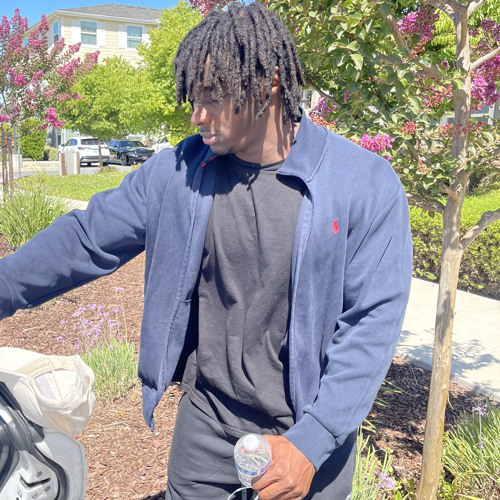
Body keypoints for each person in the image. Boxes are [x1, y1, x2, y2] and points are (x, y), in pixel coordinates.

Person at [0, 3, 413, 499]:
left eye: (213, 96)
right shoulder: (179, 173)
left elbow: (371, 322)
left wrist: (314, 439)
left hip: (305, 442)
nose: (198, 115)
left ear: (269, 83)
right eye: (193, 98)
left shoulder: (362, 184)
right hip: (206, 428)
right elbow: (86, 238)